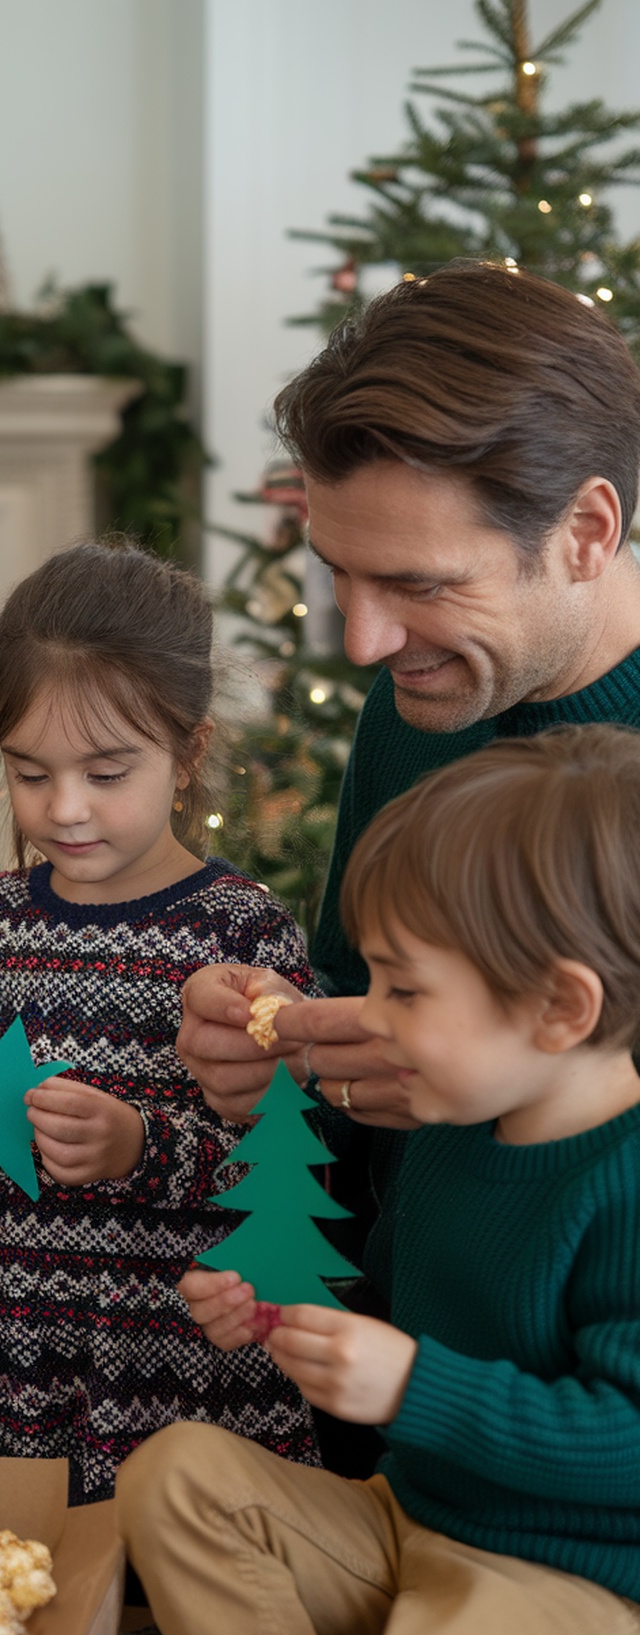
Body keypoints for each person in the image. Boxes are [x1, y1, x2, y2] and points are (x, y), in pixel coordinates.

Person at [118, 724, 640, 1635]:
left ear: (558, 1008)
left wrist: (412, 1385)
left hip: (588, 1591)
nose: (366, 1020)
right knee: (174, 1475)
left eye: (403, 990)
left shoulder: (620, 1185)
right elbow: (420, 1314)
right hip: (417, 1522)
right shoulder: (452, 1128)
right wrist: (282, 1322)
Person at [0, 540, 321, 1504]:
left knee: (172, 1607)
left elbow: (290, 1169)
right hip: (6, 1346)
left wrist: (139, 1147)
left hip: (170, 1353)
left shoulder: (242, 932)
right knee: (10, 1578)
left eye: (107, 772)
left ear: (189, 752)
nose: (66, 809)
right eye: (31, 773)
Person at [174, 260, 640, 1146]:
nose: (364, 644)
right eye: (339, 575)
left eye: (418, 584)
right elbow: (354, 1035)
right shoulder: (414, 713)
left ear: (586, 534)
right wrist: (282, 1050)